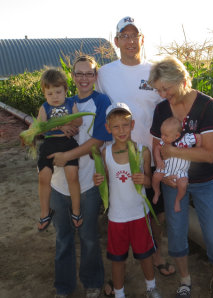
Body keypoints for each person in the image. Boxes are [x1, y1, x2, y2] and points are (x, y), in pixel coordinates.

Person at [96, 16, 176, 278]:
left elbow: (170, 105)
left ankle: (156, 254)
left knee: (155, 209)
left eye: (135, 36)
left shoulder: (154, 72)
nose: (131, 41)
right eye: (125, 36)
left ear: (142, 39)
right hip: (119, 155)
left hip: (151, 153)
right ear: (117, 41)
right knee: (119, 206)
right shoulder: (105, 73)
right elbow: (94, 104)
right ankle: (117, 262)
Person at [149, 56, 213, 298]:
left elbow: (209, 154)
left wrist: (173, 151)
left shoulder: (207, 106)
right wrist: (162, 173)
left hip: (207, 181)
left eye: (167, 88)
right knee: (175, 232)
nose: (163, 94)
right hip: (173, 181)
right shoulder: (161, 109)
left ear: (182, 80)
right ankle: (185, 280)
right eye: (159, 90)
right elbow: (156, 145)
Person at [48, 55, 113, 298]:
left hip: (87, 181)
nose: (84, 78)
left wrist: (68, 156)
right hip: (58, 183)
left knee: (88, 237)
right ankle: (64, 287)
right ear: (72, 77)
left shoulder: (101, 101)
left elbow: (97, 141)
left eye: (89, 73)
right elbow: (45, 129)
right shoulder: (63, 101)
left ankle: (92, 283)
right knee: (63, 238)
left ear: (95, 77)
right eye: (79, 73)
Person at [93, 102, 162, 298]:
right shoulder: (105, 153)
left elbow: (149, 183)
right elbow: (104, 181)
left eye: (125, 125)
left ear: (132, 125)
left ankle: (151, 288)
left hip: (140, 214)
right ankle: (119, 292)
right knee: (117, 259)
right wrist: (98, 180)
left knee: (146, 255)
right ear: (108, 128)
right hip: (117, 217)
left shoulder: (143, 151)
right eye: (115, 126)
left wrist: (145, 179)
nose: (121, 130)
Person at [35, 68, 83, 231]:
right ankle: (45, 212)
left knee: (72, 176)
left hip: (67, 143)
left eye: (58, 92)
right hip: (49, 144)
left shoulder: (71, 103)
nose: (54, 97)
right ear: (44, 93)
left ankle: (76, 210)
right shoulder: (44, 108)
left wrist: (67, 124)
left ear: (65, 90)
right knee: (43, 177)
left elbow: (79, 121)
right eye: (50, 94)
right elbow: (39, 128)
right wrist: (57, 125)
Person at [152, 117, 201, 213]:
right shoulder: (164, 142)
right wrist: (158, 160)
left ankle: (178, 200)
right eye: (162, 134)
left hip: (181, 171)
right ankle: (157, 191)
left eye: (165, 135)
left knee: (183, 185)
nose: (162, 137)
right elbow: (157, 148)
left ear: (177, 135)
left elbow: (199, 137)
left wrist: (197, 151)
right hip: (166, 167)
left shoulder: (186, 139)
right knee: (155, 177)